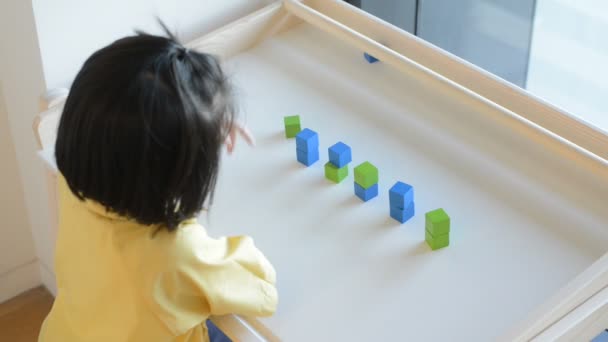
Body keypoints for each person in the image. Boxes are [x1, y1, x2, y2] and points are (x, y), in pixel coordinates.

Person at [39, 24, 278, 342]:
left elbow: (131, 144)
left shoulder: (75, 184)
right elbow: (259, 286)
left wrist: (198, 131)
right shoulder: (175, 253)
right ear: (176, 175)